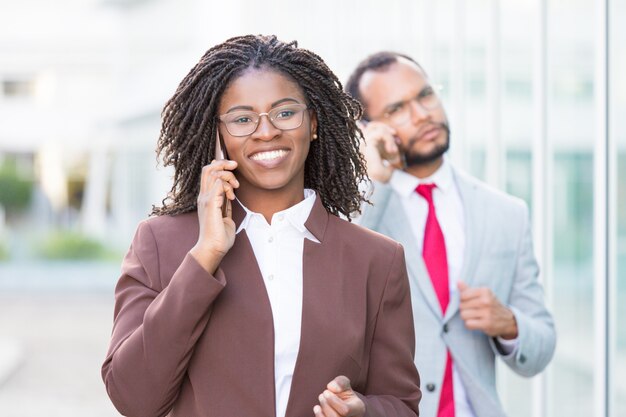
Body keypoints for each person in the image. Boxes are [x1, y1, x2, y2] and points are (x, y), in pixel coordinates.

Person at [101, 36, 421, 417]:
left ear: (313, 124)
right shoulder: (160, 243)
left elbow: (402, 404)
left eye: (285, 113)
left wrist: (363, 411)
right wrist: (204, 258)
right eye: (242, 119)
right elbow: (133, 398)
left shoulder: (377, 260)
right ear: (218, 135)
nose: (266, 131)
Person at [345, 52, 556, 417]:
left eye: (425, 95)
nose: (422, 114)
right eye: (397, 109)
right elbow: (337, 277)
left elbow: (541, 345)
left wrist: (508, 323)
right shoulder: (358, 211)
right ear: (367, 128)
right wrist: (374, 181)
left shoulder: (506, 213)